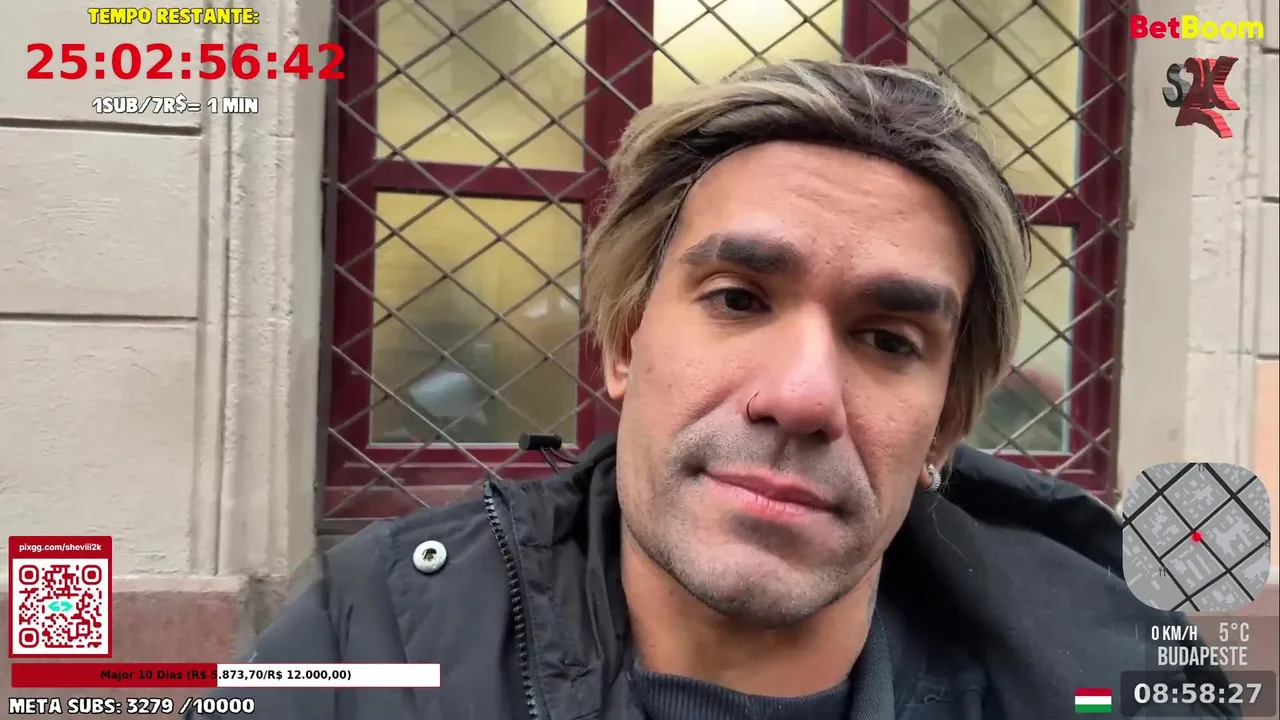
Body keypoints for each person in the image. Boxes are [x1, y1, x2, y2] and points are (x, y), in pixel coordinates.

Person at [190, 61, 1236, 719]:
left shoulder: (1112, 679)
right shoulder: (374, 642)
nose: (802, 397)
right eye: (738, 299)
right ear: (623, 341)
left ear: (944, 427)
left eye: (887, 339)